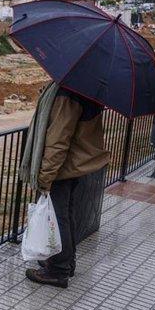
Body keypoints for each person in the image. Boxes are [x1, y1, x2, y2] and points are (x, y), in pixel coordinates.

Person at [19, 83, 110, 288]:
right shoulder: (85, 88)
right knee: (65, 214)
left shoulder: (68, 93)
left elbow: (58, 140)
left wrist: (45, 177)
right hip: (75, 164)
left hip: (63, 167)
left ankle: (58, 270)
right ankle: (66, 261)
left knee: (58, 217)